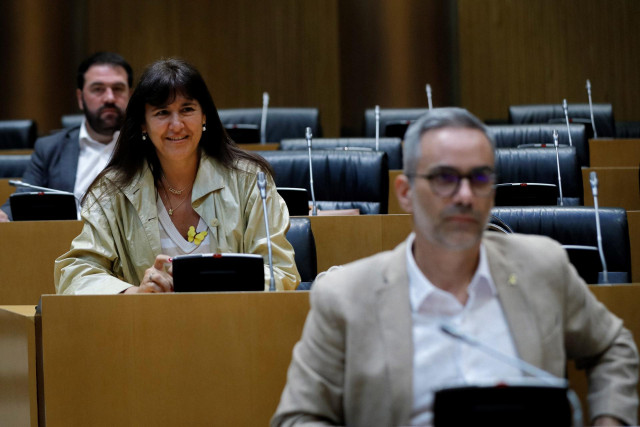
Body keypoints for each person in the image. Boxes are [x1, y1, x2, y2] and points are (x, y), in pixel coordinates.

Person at [272, 108, 638, 426]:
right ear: (405, 193)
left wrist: (611, 419)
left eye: (479, 178)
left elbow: (612, 347)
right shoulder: (346, 297)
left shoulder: (542, 267)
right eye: (445, 178)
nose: (465, 195)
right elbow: (297, 417)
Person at [54, 58, 300, 294]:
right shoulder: (113, 190)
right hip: (148, 329)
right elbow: (76, 273)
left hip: (236, 325)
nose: (177, 125)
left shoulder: (249, 181)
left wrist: (213, 282)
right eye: (162, 113)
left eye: (187, 109)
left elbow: (281, 272)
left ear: (204, 116)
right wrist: (135, 292)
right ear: (143, 124)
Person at [0, 52, 133, 221]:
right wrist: (4, 216)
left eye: (118, 89)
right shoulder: (50, 148)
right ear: (80, 98)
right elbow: (21, 200)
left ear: (130, 95)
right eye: (98, 89)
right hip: (63, 241)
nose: (109, 98)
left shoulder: (147, 145)